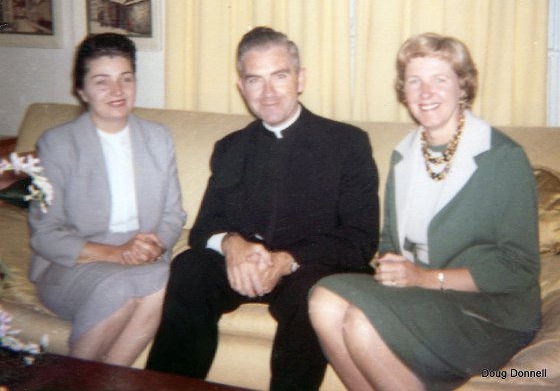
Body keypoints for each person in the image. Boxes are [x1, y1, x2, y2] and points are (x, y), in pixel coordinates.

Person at [146, 26, 379, 390]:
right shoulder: (231, 147)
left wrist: (287, 259)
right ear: (242, 88)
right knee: (189, 268)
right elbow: (206, 225)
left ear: (300, 79)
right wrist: (232, 245)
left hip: (308, 269)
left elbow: (360, 239)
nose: (268, 93)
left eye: (280, 76)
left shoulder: (347, 143)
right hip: (244, 268)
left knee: (313, 294)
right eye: (255, 80)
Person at [308, 32, 541, 391]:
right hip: (424, 301)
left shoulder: (502, 158)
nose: (425, 92)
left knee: (362, 323)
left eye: (439, 79)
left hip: (490, 313)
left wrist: (423, 278)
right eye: (414, 81)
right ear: (403, 91)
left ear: (462, 86)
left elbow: (519, 267)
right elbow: (389, 240)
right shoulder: (404, 155)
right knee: (323, 301)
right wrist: (393, 266)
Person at [28, 33, 186, 366]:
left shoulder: (158, 138)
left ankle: (104, 379)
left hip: (142, 258)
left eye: (125, 79)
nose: (117, 91)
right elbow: (46, 233)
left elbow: (173, 214)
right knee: (124, 288)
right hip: (73, 264)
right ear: (82, 91)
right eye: (102, 82)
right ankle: (77, 378)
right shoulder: (58, 144)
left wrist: (154, 246)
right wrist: (115, 253)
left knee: (170, 280)